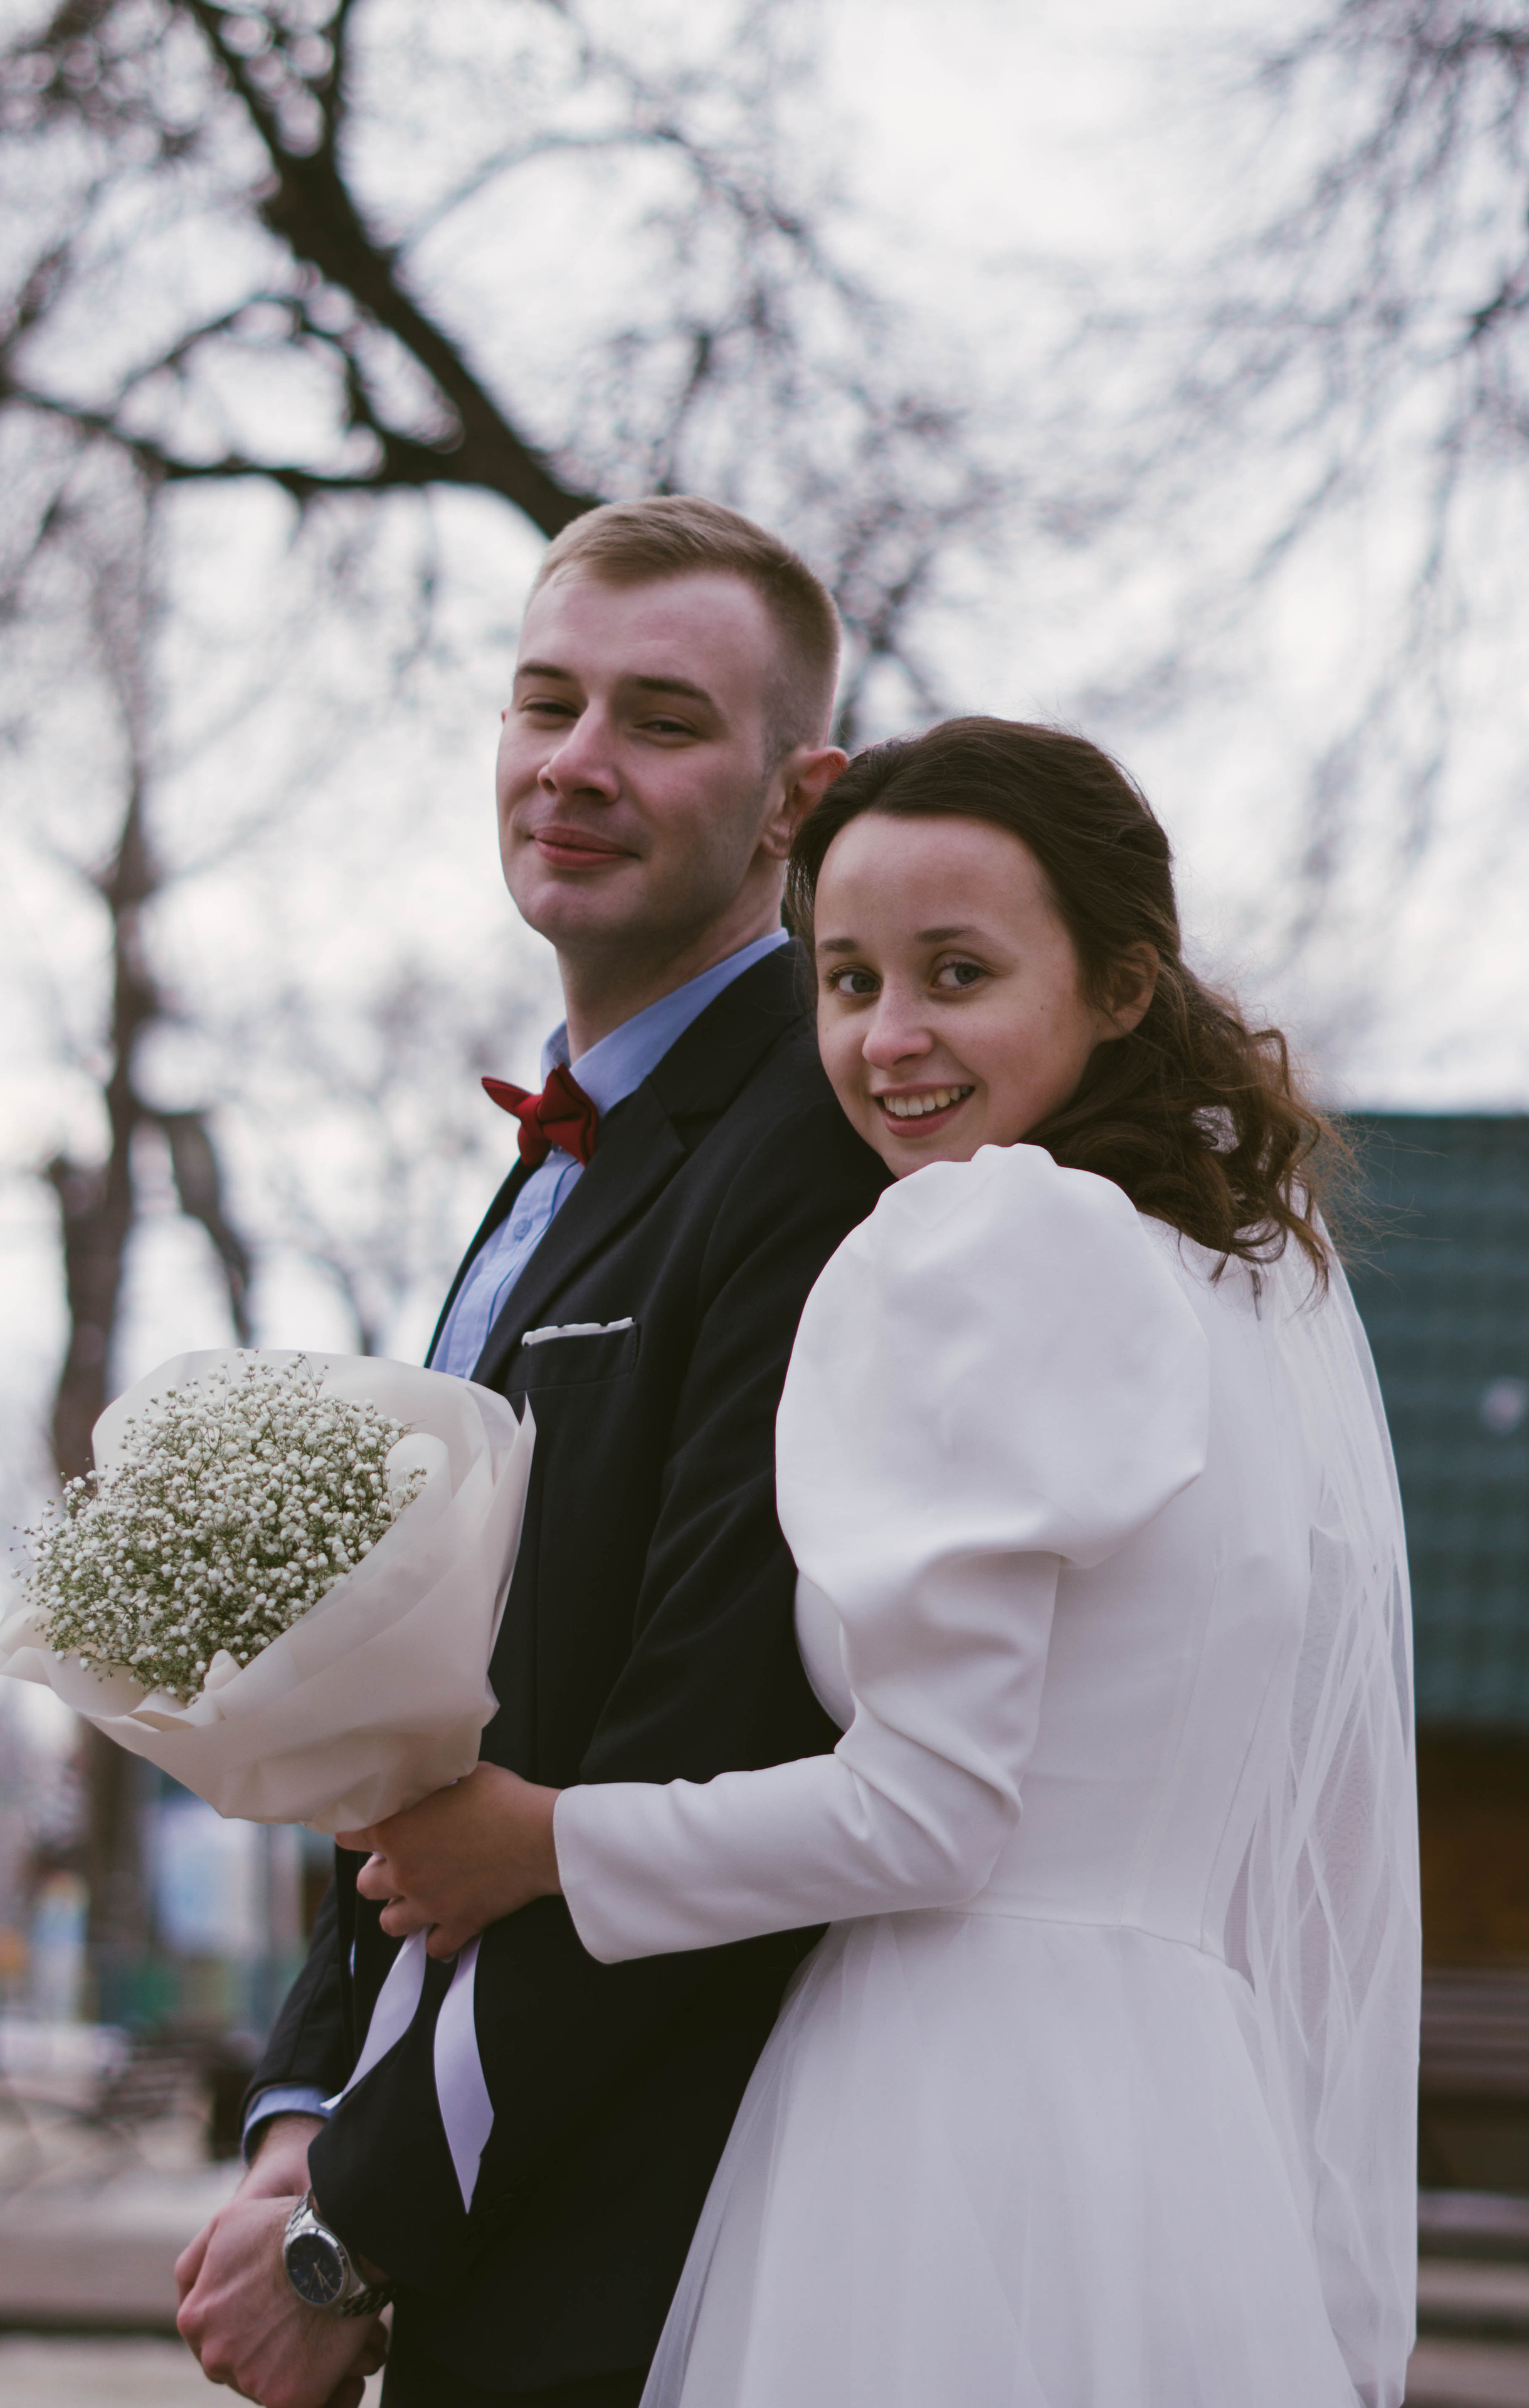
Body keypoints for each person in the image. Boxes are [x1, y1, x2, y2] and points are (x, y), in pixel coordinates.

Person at [354, 717, 1422, 2407]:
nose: (890, 1039)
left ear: (1123, 985)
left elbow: (931, 1812)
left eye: (957, 973)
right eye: (846, 982)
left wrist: (542, 1843)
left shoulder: (979, 1240)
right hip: (1176, 2123)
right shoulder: (1226, 1285)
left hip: (952, 2104)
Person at [172, 495, 891, 2408]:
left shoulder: (815, 1165)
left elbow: (709, 1761)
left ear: (791, 800)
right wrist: (298, 2124)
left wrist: (360, 2225)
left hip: (655, 2240)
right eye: (542, 701)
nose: (574, 763)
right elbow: (414, 1739)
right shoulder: (550, 1165)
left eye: (659, 720)